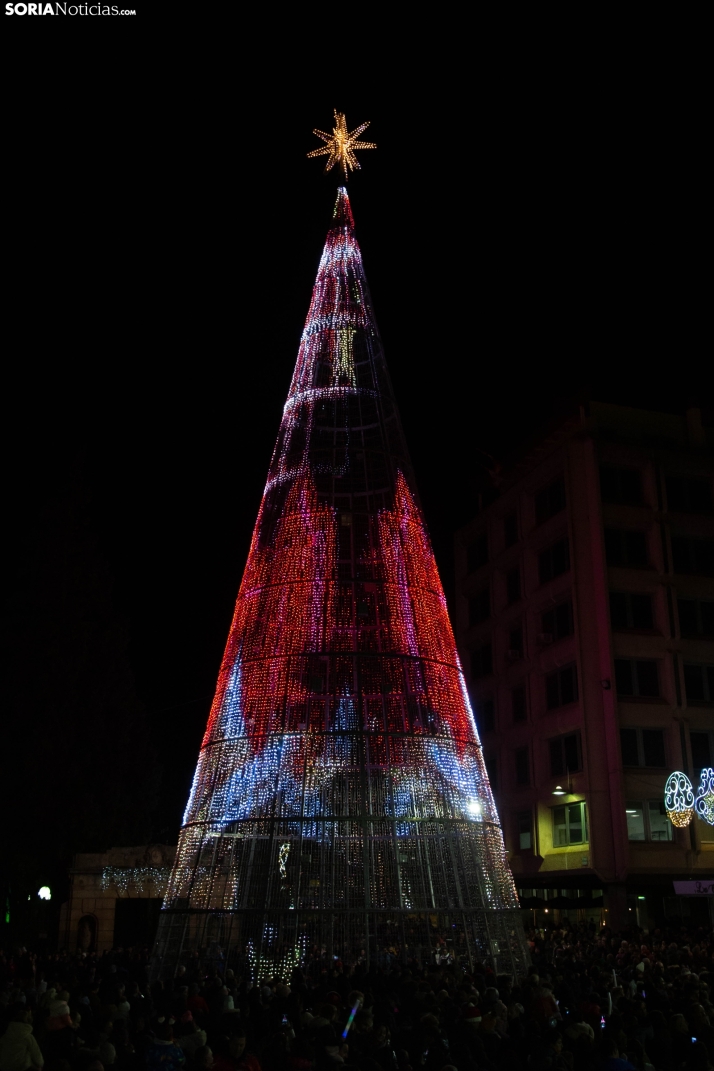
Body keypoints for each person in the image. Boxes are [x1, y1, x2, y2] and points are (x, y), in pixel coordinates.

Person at [0, 1005, 44, 1071]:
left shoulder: (6, 1034)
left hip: (4, 1066)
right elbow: (37, 1056)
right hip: (21, 1067)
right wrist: (40, 1064)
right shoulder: (28, 1037)